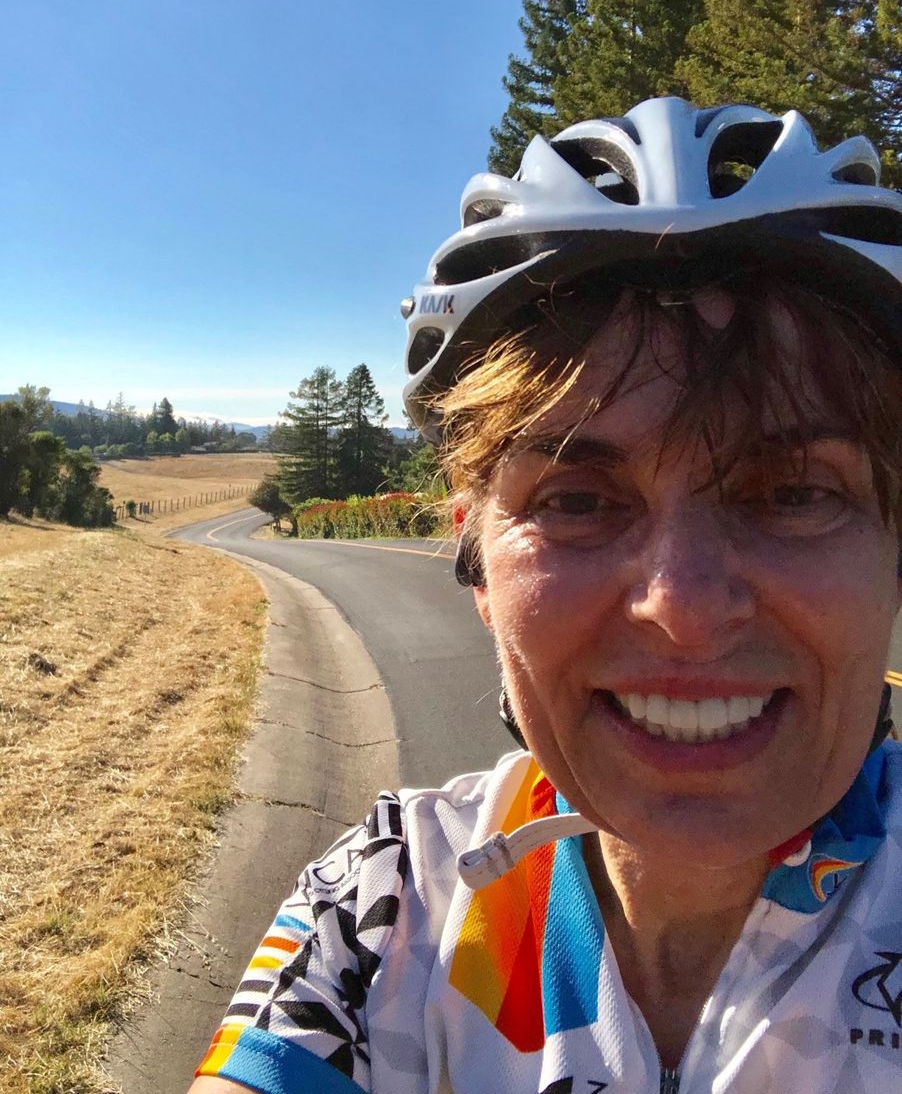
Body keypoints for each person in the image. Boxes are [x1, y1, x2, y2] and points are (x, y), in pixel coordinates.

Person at [190, 97, 902, 1093]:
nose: (685, 607)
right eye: (575, 501)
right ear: (475, 560)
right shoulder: (391, 899)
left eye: (793, 494)